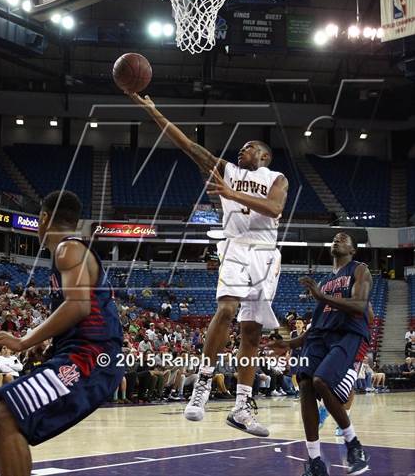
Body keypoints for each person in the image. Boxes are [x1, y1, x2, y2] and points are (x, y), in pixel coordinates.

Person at [129, 92, 288, 436]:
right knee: (227, 309)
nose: (240, 151)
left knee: (251, 332)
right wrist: (154, 111)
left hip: (265, 253)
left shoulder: (276, 177)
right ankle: (202, 385)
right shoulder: (226, 170)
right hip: (235, 247)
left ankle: (242, 408)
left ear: (263, 155)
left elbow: (274, 209)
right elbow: (187, 144)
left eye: (247, 147)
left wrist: (232, 196)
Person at [0, 190, 124, 476]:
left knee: (4, 418)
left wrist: (24, 340)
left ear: (43, 218)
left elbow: (78, 306)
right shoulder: (70, 251)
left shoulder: (69, 249)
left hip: (92, 357)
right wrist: (48, 341)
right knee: (4, 420)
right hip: (83, 353)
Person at [270, 233, 371, 476]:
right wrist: (288, 343)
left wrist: (322, 296)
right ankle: (315, 461)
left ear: (353, 250)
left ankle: (354, 445)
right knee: (304, 384)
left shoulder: (360, 269)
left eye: (344, 238)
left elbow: (359, 305)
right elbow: (315, 325)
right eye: (335, 238)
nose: (337, 240)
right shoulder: (325, 282)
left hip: (347, 333)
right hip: (320, 337)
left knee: (321, 381)